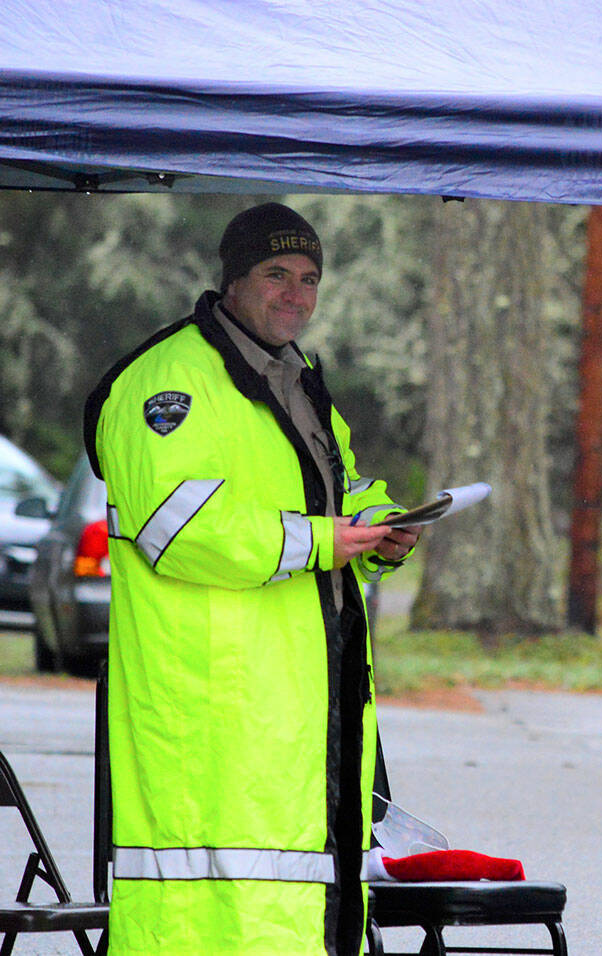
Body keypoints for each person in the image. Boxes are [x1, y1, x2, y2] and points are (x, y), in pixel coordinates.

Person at [83, 202, 422, 955]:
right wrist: (325, 541)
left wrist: (385, 528)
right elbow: (180, 530)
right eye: (277, 274)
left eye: (310, 278)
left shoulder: (295, 380)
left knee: (298, 909)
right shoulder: (169, 381)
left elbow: (340, 491)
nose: (296, 294)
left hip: (294, 708)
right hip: (211, 716)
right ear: (233, 277)